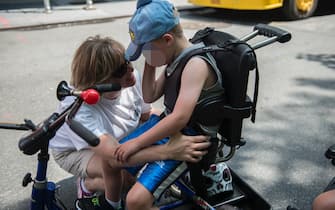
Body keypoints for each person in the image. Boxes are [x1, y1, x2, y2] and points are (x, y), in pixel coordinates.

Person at [49, 35, 210, 210]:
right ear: (99, 80)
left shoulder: (133, 78)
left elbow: (145, 114)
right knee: (124, 178)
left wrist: (176, 122)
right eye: (119, 71)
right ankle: (89, 185)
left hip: (111, 139)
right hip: (74, 151)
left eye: (127, 61)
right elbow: (114, 157)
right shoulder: (79, 110)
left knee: (127, 168)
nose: (130, 70)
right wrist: (169, 151)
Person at [113, 0, 226, 209]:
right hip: (171, 128)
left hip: (189, 140)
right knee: (119, 159)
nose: (145, 55)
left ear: (167, 39)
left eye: (146, 50)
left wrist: (137, 143)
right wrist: (150, 61)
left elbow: (180, 117)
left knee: (135, 201)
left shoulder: (195, 65)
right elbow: (149, 94)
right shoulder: (174, 58)